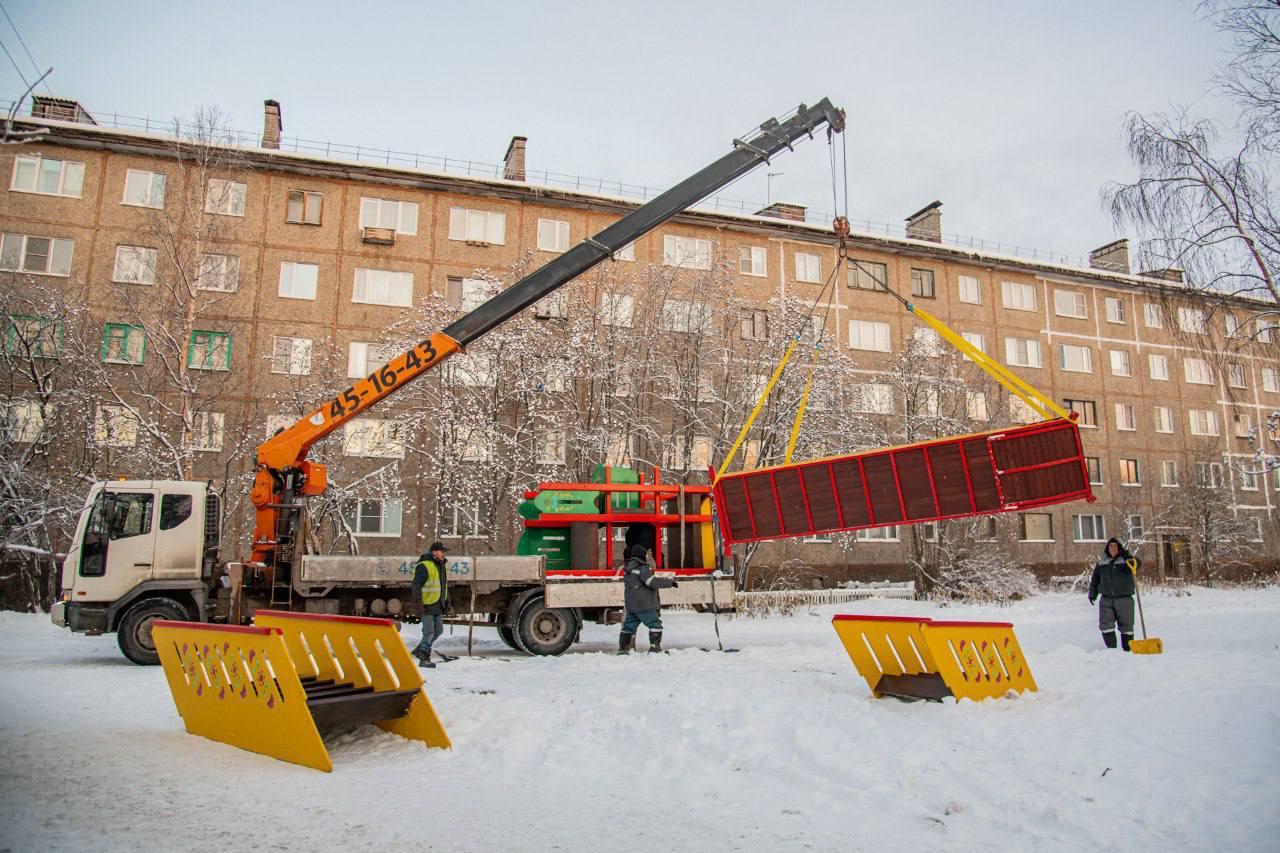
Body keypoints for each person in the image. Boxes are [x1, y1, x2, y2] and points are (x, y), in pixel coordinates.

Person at [619, 523, 678, 654]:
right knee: (655, 625)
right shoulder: (643, 569)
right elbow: (652, 582)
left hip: (632, 605)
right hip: (644, 605)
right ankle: (654, 647)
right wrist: (669, 582)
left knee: (628, 627)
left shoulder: (628, 570)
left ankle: (623, 649)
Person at [1088, 537, 1139, 651]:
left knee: (1126, 626)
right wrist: (1093, 593)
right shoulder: (1102, 563)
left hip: (1124, 599)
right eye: (1110, 547)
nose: (1112, 549)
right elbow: (1095, 579)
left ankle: (1127, 650)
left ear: (1120, 548)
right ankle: (1112, 650)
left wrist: (1129, 558)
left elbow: (1138, 564)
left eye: (1115, 546)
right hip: (1106, 599)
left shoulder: (1126, 561)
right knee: (1106, 625)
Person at [411, 541, 453, 667]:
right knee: (429, 632)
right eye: (442, 551)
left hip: (437, 604)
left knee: (438, 630)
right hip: (427, 604)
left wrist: (447, 601)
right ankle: (424, 657)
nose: (444, 554)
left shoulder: (440, 565)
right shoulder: (424, 565)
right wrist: (418, 604)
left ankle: (420, 650)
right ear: (434, 552)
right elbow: (416, 585)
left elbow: (443, 585)